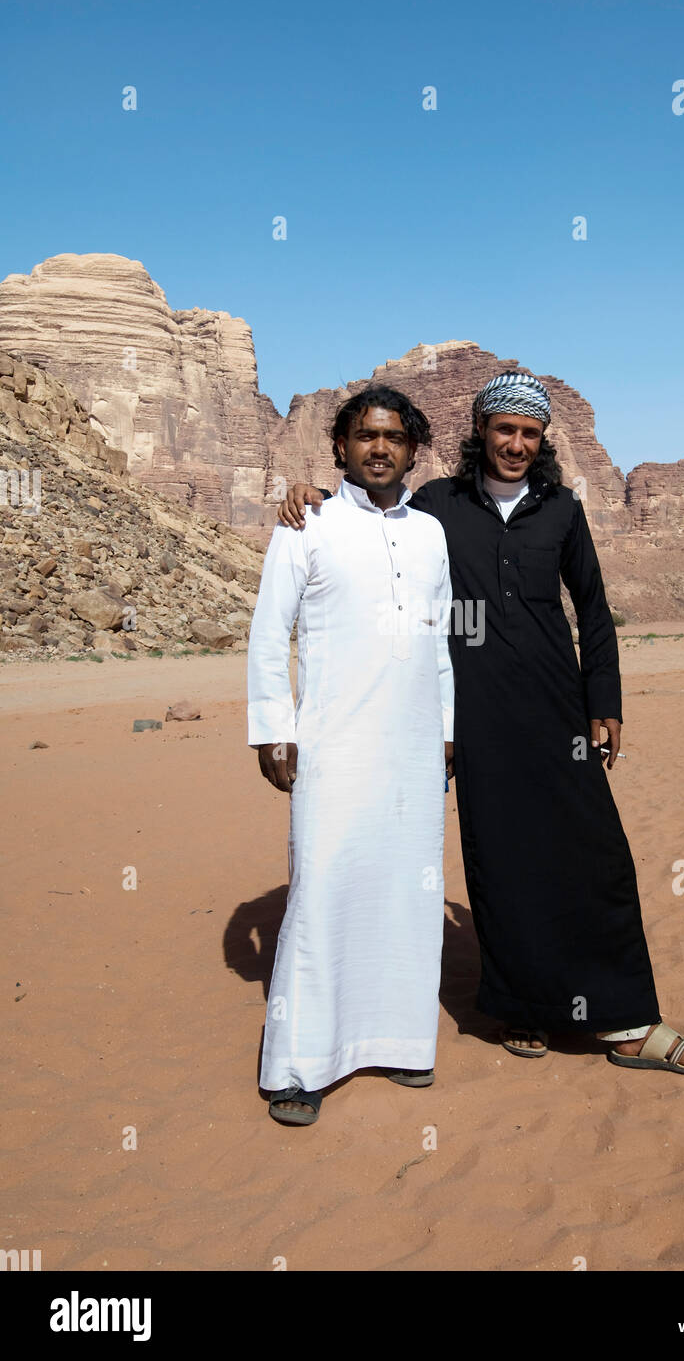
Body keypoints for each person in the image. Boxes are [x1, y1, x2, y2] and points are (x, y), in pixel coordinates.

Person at [279, 372, 684, 1078]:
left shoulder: (560, 510)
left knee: (595, 854)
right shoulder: (436, 506)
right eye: (503, 429)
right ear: (480, 432)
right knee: (501, 859)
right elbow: (370, 513)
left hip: (558, 711)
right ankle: (521, 1006)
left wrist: (603, 701)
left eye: (528, 433)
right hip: (473, 716)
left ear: (542, 439)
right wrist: (309, 496)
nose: (515, 444)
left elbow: (592, 606)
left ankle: (628, 1019)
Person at [248, 385, 455, 1124]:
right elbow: (271, 634)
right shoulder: (306, 523)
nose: (378, 448)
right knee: (322, 887)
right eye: (365, 436)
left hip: (412, 747)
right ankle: (298, 1066)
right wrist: (274, 727)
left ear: (411, 450)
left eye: (393, 438)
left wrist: (447, 727)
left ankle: (398, 1042)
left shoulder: (430, 535)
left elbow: (438, 644)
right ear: (339, 447)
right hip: (332, 745)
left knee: (405, 891)